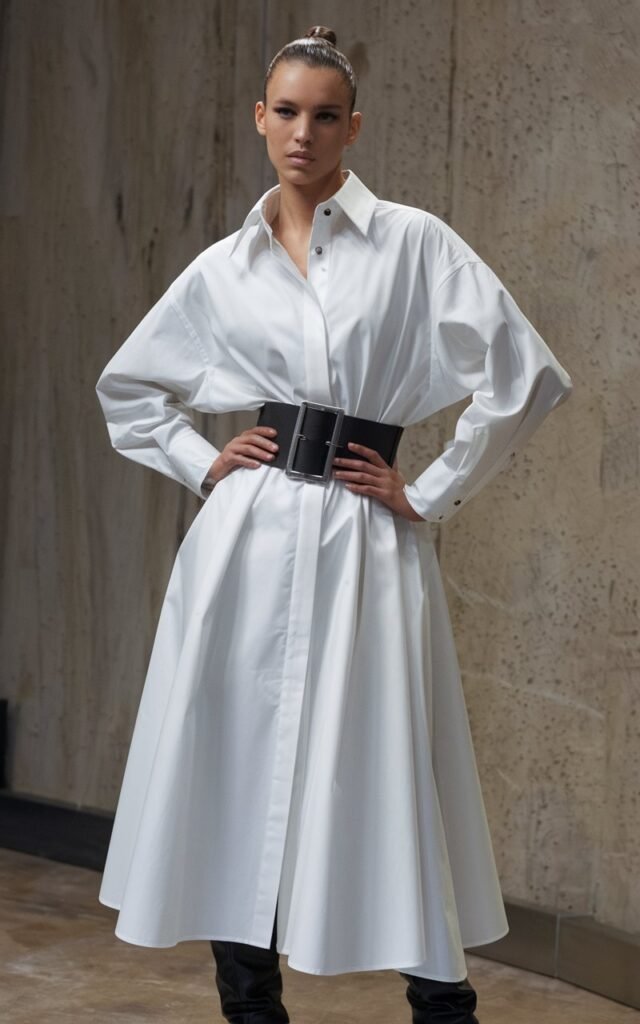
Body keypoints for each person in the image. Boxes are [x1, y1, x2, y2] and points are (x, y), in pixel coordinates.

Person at [95, 24, 573, 1024]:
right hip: (246, 542)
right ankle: (250, 1010)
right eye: (285, 111)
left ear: (353, 126)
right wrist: (202, 461)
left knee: (385, 768)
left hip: (363, 536)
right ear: (259, 118)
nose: (302, 133)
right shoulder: (225, 266)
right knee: (233, 765)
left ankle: (443, 1009)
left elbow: (522, 374)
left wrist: (428, 489)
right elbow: (129, 390)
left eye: (323, 115)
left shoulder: (414, 242)